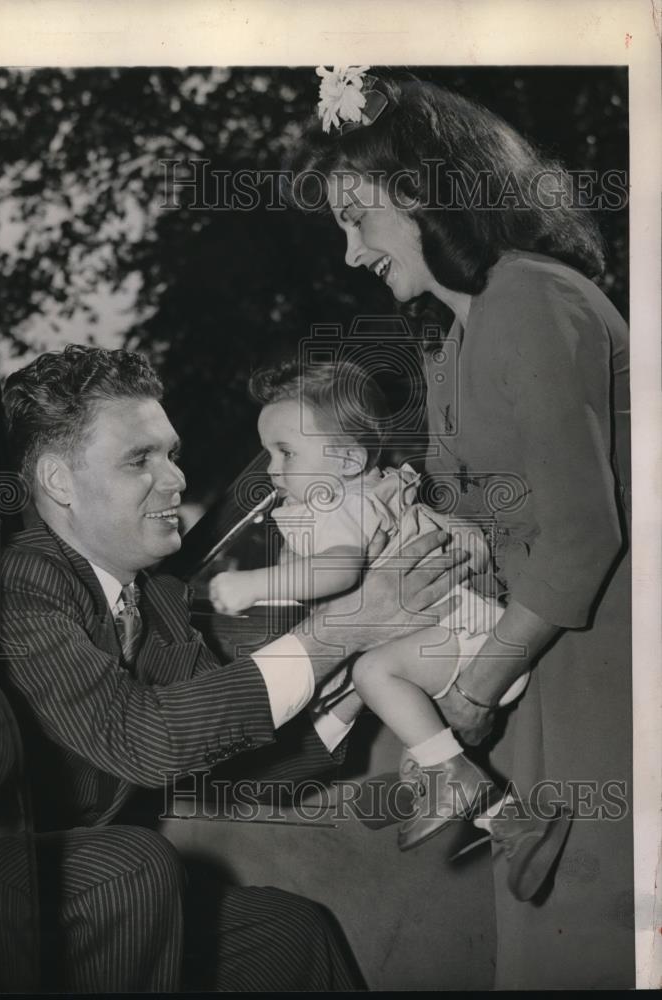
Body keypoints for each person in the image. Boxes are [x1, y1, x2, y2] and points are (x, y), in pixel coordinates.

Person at [289, 69, 632, 988]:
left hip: (595, 664)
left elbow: (578, 538)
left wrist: (472, 695)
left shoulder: (530, 296)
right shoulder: (456, 334)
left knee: (590, 942)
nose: (351, 253)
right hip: (540, 663)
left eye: (357, 218)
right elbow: (489, 516)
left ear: (420, 192)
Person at [0, 343, 468, 992]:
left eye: (171, 454)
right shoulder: (24, 580)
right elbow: (146, 743)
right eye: (139, 459)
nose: (176, 480)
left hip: (110, 884)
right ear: (57, 481)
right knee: (132, 867)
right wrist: (343, 626)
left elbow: (243, 777)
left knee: (288, 933)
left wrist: (357, 672)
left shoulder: (153, 599)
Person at [209, 357, 568, 902]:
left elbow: (340, 571)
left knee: (375, 672)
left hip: (463, 632)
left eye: (286, 453)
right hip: (444, 634)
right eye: (270, 455)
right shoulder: (339, 500)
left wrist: (255, 584)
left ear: (349, 459)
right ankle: (513, 823)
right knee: (407, 725)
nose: (272, 471)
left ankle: (457, 783)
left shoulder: (340, 506)